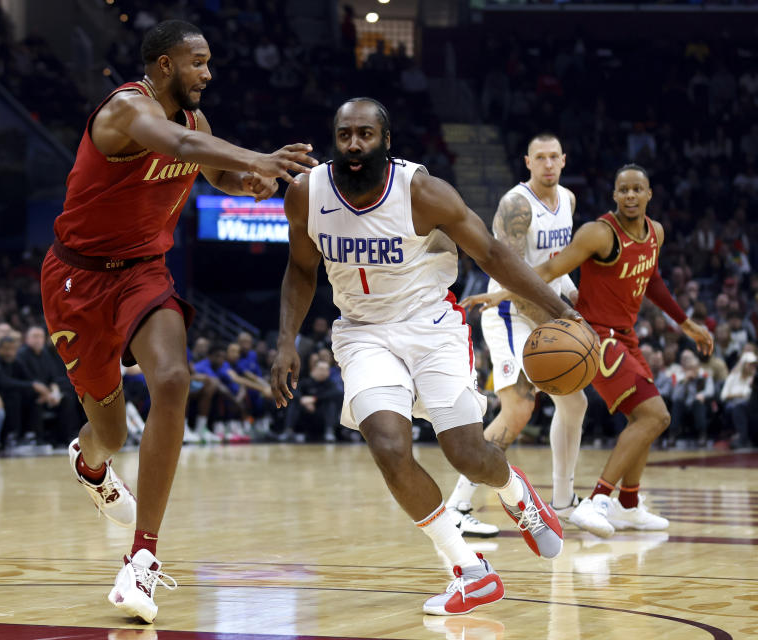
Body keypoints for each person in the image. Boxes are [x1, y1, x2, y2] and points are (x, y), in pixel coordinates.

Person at [39, 20, 316, 623]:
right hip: (77, 281)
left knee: (172, 380)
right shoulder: (125, 112)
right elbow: (182, 151)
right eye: (197, 62)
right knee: (109, 433)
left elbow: (207, 169)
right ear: (164, 65)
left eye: (208, 62)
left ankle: (142, 558)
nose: (208, 73)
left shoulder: (197, 123)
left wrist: (245, 182)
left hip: (142, 271)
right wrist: (259, 155)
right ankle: (90, 463)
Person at [271, 98, 575, 617]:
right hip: (363, 333)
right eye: (345, 135)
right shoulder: (306, 193)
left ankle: (516, 493)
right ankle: (468, 569)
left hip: (432, 324)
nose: (354, 145)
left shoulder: (423, 192)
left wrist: (558, 311)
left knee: (467, 454)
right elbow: (302, 269)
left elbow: (494, 255)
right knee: (388, 447)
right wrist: (285, 341)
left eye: (365, 134)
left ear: (386, 141)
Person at [463, 164, 713, 537]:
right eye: (623, 190)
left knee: (642, 419)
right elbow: (548, 269)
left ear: (649, 195)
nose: (630, 195)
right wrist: (503, 292)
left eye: (637, 190)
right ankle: (599, 500)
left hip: (626, 335)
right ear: (614, 195)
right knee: (655, 416)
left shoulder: (655, 233)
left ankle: (628, 505)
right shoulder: (598, 233)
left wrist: (685, 322)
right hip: (594, 336)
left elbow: (652, 278)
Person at [444, 133, 594, 538]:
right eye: (539, 157)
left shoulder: (569, 200)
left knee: (575, 403)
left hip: (546, 309)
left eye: (553, 157)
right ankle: (456, 506)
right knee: (517, 411)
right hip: (508, 310)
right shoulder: (516, 205)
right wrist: (559, 316)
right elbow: (509, 269)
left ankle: (563, 501)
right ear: (527, 162)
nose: (547, 164)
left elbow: (553, 262)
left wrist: (570, 291)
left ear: (563, 160)